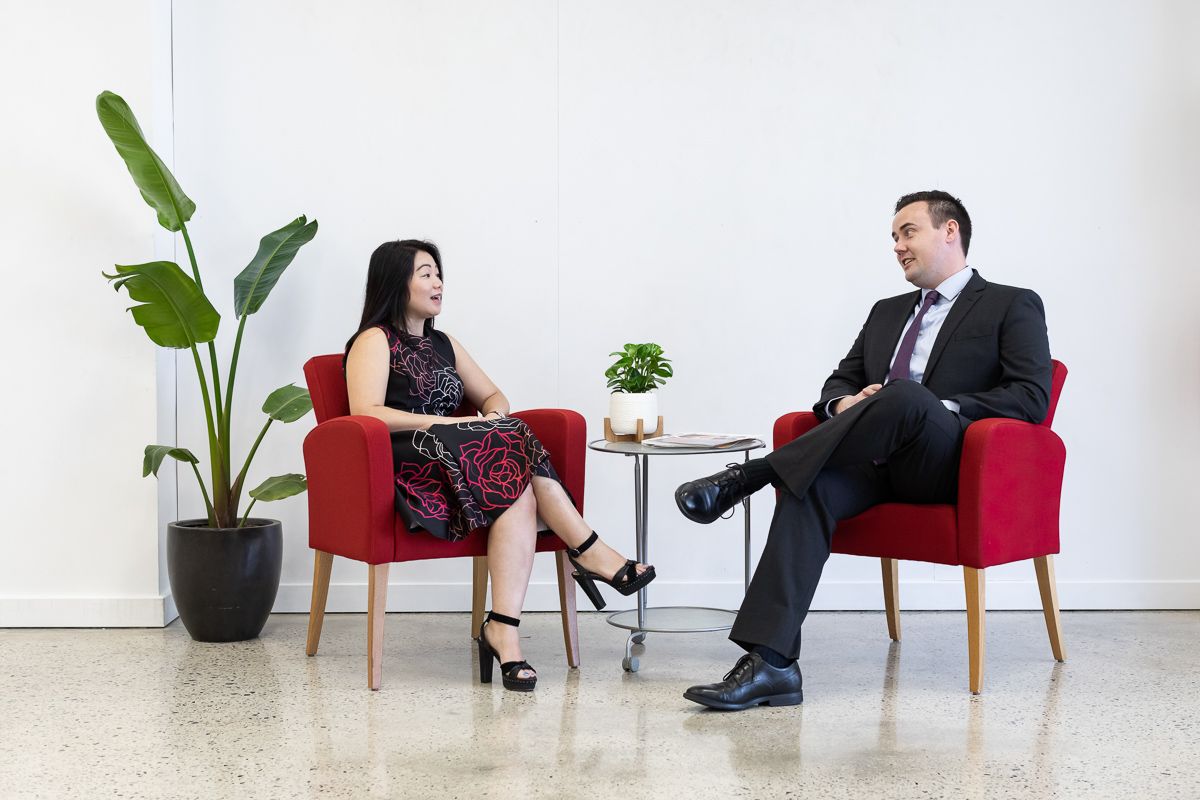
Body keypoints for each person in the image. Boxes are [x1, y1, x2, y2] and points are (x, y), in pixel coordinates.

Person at [674, 191, 1051, 711]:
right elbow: (839, 381)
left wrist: (936, 404)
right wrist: (843, 403)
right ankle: (772, 665)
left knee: (907, 396)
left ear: (950, 232)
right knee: (810, 489)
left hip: (948, 463)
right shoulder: (886, 312)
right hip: (873, 462)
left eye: (908, 232)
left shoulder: (1011, 303)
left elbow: (1031, 397)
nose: (897, 245)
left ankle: (751, 475)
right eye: (894, 237)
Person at [344, 239, 655, 692]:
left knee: (516, 475)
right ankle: (586, 548)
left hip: (464, 460)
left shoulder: (444, 343)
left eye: (438, 273)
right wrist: (441, 422)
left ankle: (503, 631)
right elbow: (367, 412)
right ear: (396, 281)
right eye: (426, 273)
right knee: (515, 443)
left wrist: (487, 418)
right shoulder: (374, 340)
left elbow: (495, 398)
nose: (438, 283)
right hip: (411, 466)